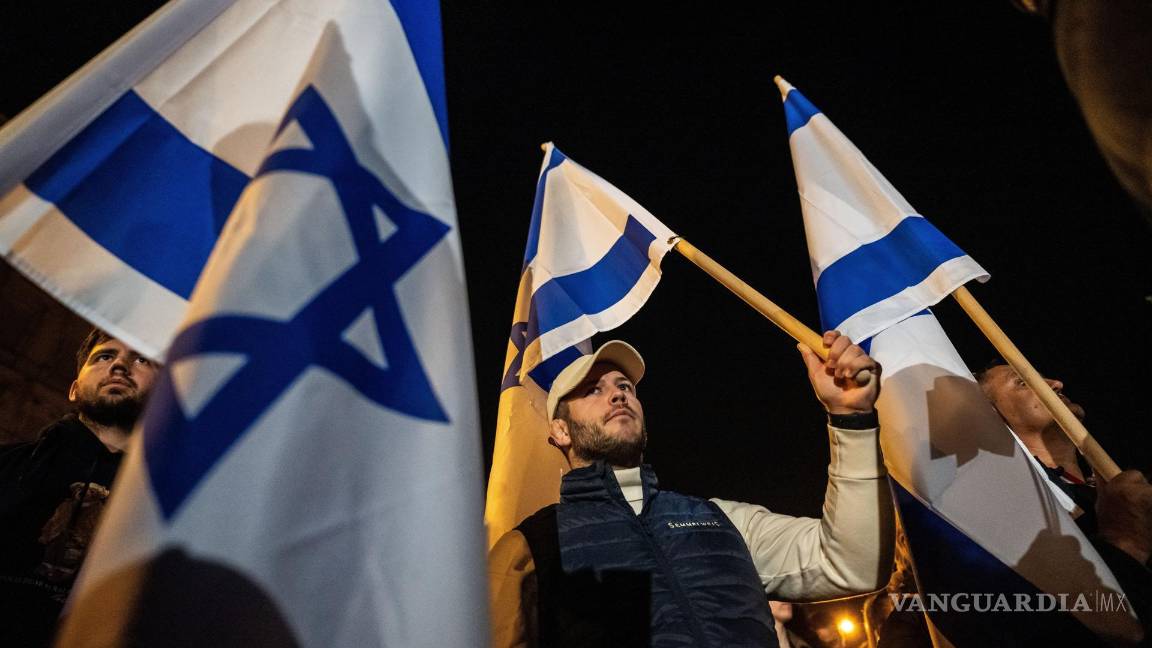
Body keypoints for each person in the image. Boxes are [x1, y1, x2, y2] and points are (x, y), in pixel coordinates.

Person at [488, 331, 895, 647]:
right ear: (560, 430)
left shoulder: (721, 520)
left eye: (625, 386)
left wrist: (851, 418)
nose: (617, 393)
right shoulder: (530, 546)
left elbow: (853, 563)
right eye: (593, 389)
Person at [0, 328, 159, 647]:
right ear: (74, 389)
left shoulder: (167, 510)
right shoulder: (6, 466)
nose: (120, 365)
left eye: (141, 358)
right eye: (104, 356)